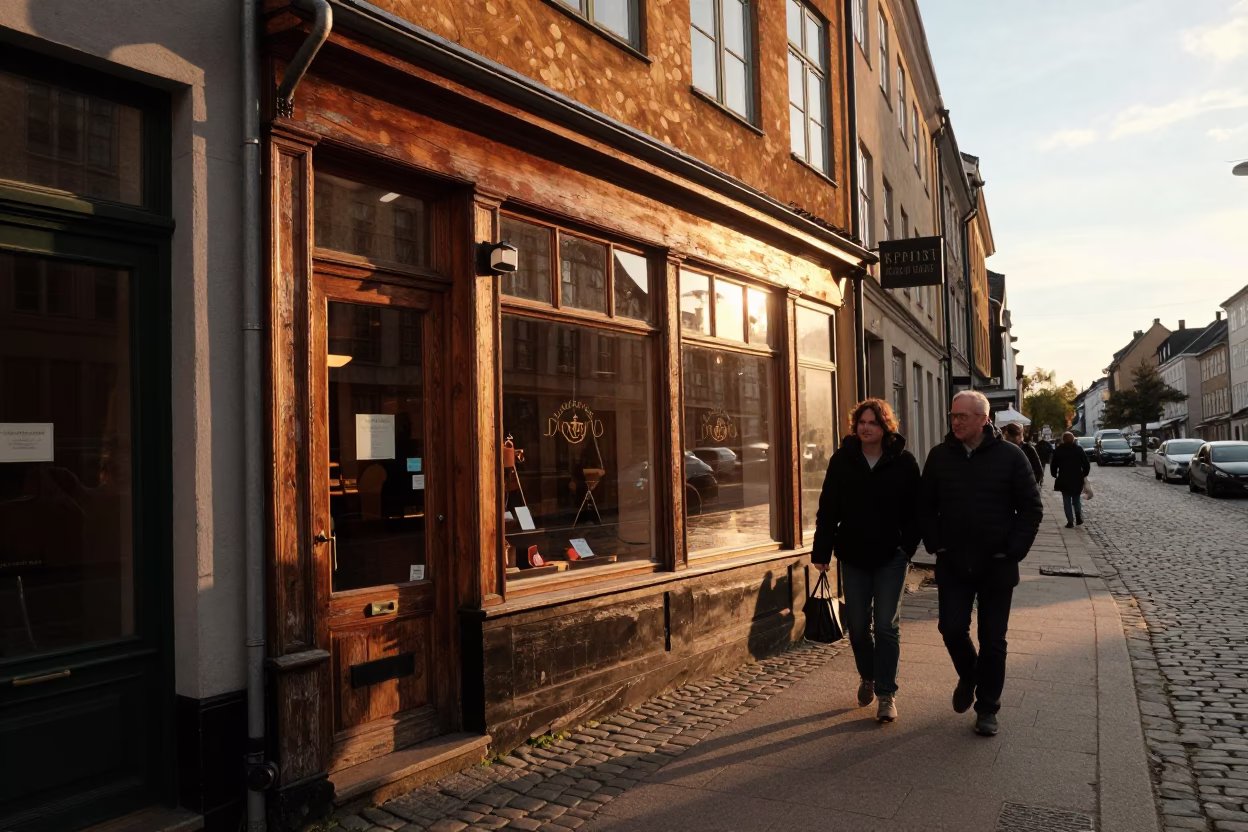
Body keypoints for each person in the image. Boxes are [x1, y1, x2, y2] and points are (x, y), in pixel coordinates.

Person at [919, 391, 1043, 737]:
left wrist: (1013, 549)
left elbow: (1032, 508)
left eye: (963, 416)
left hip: (996, 564)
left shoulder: (1011, 457)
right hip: (954, 562)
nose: (955, 421)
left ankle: (988, 708)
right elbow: (925, 507)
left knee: (993, 640)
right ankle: (969, 673)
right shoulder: (940, 457)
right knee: (952, 628)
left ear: (984, 420)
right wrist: (936, 544)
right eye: (952, 415)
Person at [811, 399, 921, 724]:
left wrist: (908, 547)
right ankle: (868, 677)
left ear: (885, 426)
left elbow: (917, 510)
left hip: (891, 557)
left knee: (886, 626)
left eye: (873, 422)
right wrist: (822, 552)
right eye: (861, 422)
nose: (866, 427)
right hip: (854, 555)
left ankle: (887, 694)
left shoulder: (903, 462)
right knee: (858, 627)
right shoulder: (843, 460)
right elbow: (828, 508)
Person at [1050, 431, 1091, 529]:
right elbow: (1086, 464)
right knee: (1076, 498)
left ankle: (1070, 521)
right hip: (1077, 478)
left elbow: (1053, 465)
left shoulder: (1059, 450)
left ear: (1063, 440)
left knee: (1066, 499)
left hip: (1064, 478)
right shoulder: (1078, 449)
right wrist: (1084, 474)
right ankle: (1078, 516)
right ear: (1073, 439)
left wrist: (1054, 474)